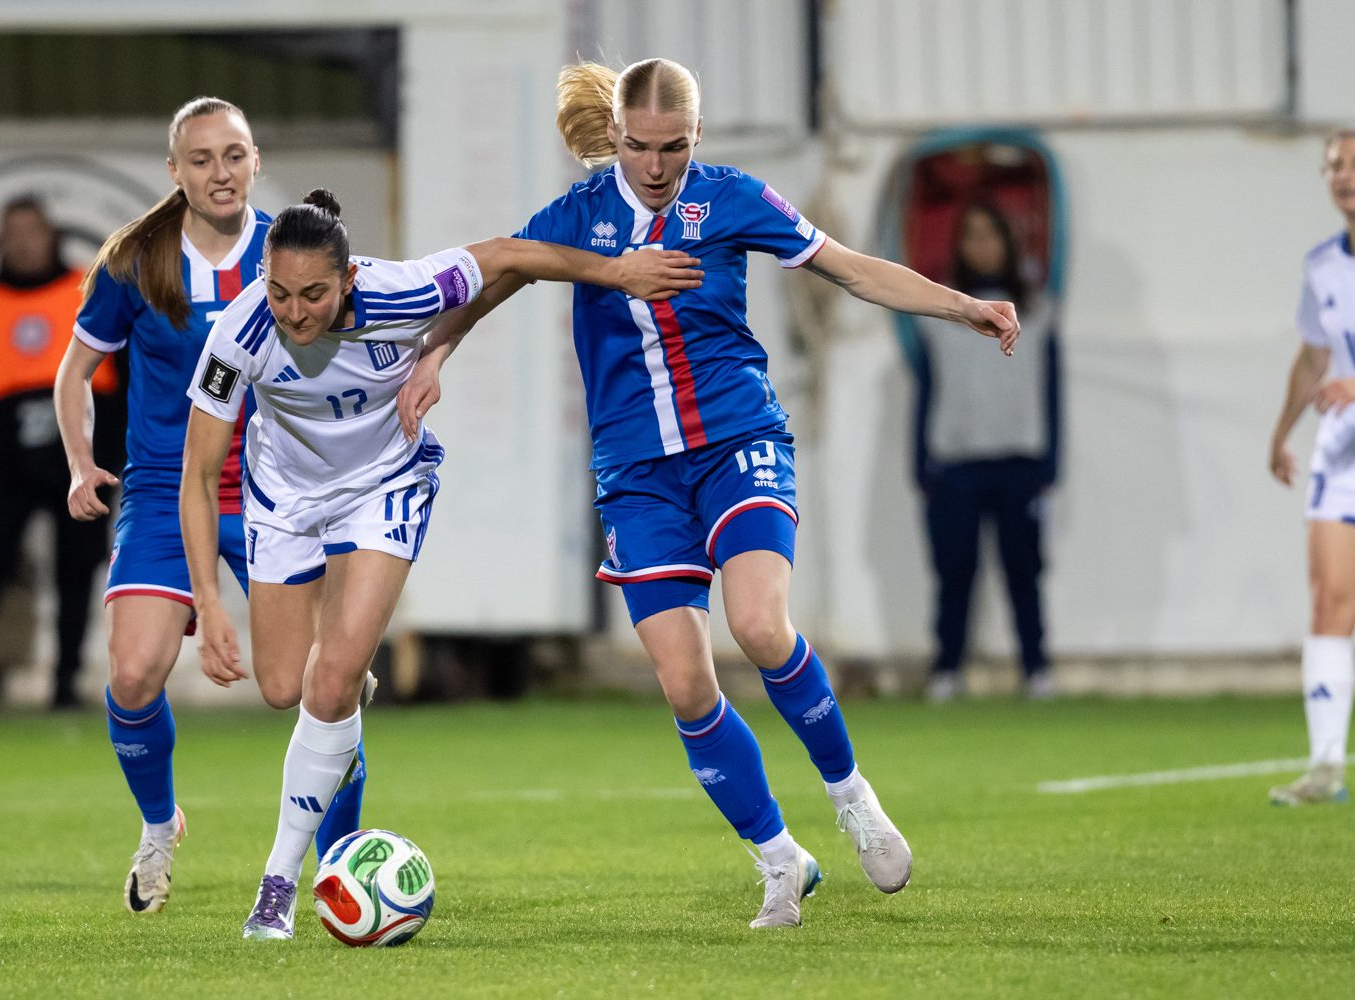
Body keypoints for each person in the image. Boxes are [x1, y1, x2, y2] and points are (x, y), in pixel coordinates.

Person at [399, 59, 1019, 928]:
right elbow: (497, 276)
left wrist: (962, 305)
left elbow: (850, 268)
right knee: (686, 684)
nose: (656, 166)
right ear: (614, 134)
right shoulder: (577, 217)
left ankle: (851, 797)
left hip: (737, 440)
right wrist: (436, 353)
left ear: (699, 135)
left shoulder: (731, 199)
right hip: (637, 474)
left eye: (675, 147)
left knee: (760, 624)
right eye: (640, 146)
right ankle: (780, 860)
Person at [184, 189, 700, 941]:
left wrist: (617, 272)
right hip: (283, 500)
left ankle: (277, 886)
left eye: (314, 294)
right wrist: (207, 601)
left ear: (349, 279)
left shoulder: (405, 291)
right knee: (284, 687)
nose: (295, 312)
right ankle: (344, 693)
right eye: (281, 292)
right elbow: (198, 476)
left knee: (328, 683)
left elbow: (512, 255)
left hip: (384, 484)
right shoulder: (240, 334)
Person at [54, 97, 348, 914]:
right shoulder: (136, 263)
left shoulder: (290, 253)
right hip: (162, 487)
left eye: (235, 155)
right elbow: (74, 373)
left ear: (256, 162)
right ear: (175, 171)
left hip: (274, 494)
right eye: (202, 159)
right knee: (132, 673)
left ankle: (340, 860)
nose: (221, 172)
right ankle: (159, 826)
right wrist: (80, 463)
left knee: (327, 684)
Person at [0, 196, 123, 710]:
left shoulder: (89, 290)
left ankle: (65, 684)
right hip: (6, 462)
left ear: (51, 235)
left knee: (76, 571)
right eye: (11, 233)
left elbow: (124, 374)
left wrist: (113, 448)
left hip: (78, 458)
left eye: (31, 231)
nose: (22, 243)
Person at [910, 200, 1061, 703]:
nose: (982, 246)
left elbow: (1051, 388)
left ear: (1008, 243)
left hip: (1019, 462)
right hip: (956, 464)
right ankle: (946, 669)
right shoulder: (939, 313)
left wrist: (1050, 462)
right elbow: (926, 389)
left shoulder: (1037, 311)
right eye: (971, 235)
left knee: (1025, 572)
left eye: (991, 234)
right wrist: (921, 462)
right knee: (954, 573)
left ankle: (1036, 669)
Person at [1266, 128, 1355, 807]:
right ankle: (1325, 766)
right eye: (1333, 165)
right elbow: (1314, 356)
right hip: (1343, 450)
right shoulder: (1323, 264)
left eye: (1352, 164)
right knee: (1329, 599)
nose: (1343, 175)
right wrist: (1281, 433)